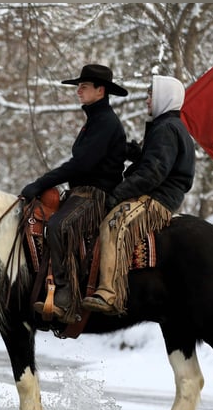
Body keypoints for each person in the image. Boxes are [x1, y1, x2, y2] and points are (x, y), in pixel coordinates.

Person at [20, 64, 131, 324]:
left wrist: (40, 183)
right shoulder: (95, 120)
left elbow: (81, 164)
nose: (78, 91)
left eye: (84, 86)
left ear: (100, 90)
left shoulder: (104, 122)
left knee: (59, 225)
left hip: (95, 194)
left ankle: (65, 296)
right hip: (80, 192)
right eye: (78, 86)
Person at [82, 74, 195, 315]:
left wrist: (117, 195)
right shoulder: (165, 126)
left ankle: (109, 294)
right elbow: (150, 158)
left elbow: (152, 173)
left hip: (158, 199)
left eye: (152, 95)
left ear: (165, 97)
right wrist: (124, 149)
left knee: (114, 224)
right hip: (154, 194)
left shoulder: (166, 129)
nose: (147, 100)